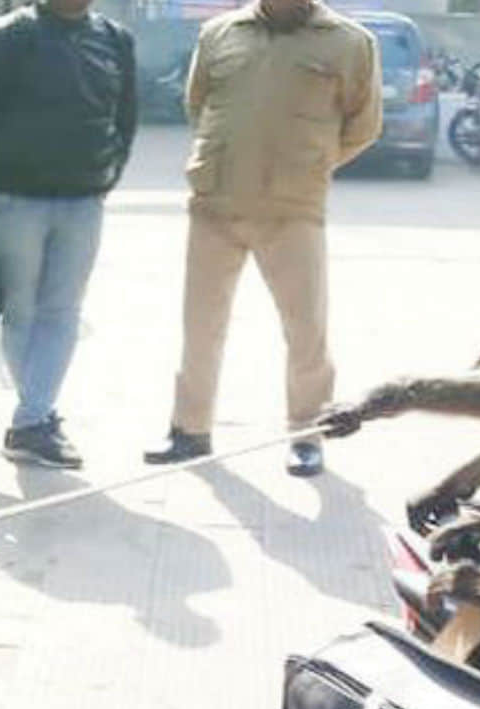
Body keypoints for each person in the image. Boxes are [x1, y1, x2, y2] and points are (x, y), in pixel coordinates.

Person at [143, 0, 382, 477]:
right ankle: (190, 430)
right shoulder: (219, 33)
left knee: (306, 332)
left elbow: (364, 126)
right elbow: (199, 104)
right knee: (201, 327)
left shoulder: (351, 42)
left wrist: (308, 166)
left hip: (294, 212)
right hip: (216, 205)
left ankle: (306, 434)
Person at [0, 0, 136, 469]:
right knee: (22, 312)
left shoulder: (114, 40)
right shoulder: (2, 39)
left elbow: (125, 119)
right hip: (12, 200)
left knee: (62, 311)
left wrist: (105, 178)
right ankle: (34, 422)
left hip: (82, 202)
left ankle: (31, 422)